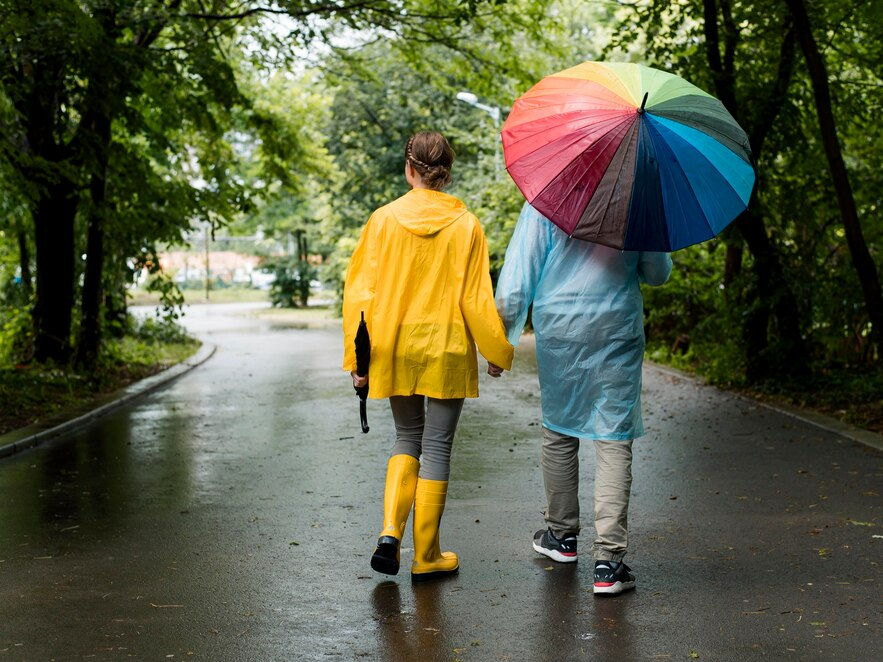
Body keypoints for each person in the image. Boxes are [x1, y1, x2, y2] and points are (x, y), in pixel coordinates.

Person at [343, 131, 514, 582]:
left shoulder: (382, 221)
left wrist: (360, 362)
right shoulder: (467, 224)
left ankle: (388, 534)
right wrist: (496, 350)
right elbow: (477, 299)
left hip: (395, 345)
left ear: (409, 169)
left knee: (406, 439)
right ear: (447, 172)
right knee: (436, 445)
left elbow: (360, 297)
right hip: (447, 346)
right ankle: (427, 556)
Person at [493, 202, 672, 595]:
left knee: (559, 430)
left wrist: (500, 341)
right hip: (617, 328)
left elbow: (515, 286)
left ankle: (561, 536)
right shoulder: (636, 199)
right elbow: (657, 274)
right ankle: (608, 563)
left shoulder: (546, 198)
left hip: (560, 330)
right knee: (613, 436)